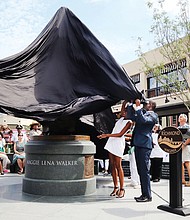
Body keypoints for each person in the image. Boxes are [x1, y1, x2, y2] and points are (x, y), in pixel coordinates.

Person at [97, 101, 132, 198]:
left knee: (118, 166)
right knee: (112, 166)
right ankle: (115, 187)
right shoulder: (121, 119)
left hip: (118, 143)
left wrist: (106, 135)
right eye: (124, 111)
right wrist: (125, 101)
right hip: (111, 142)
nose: (123, 112)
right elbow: (122, 108)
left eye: (126, 111)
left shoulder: (129, 122)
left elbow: (121, 134)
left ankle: (122, 188)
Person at [127, 99, 158, 202]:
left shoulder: (153, 115)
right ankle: (144, 194)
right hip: (138, 144)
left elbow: (144, 120)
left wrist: (139, 108)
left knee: (144, 171)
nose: (144, 104)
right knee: (141, 171)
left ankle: (148, 196)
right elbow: (131, 116)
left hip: (145, 145)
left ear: (151, 106)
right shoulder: (142, 113)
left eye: (147, 103)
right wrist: (131, 104)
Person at [178, 114, 190, 187]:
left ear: (185, 119)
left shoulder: (188, 127)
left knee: (187, 163)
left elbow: (189, 137)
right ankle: (182, 180)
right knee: (181, 163)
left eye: (181, 117)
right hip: (179, 147)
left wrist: (184, 144)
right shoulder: (178, 128)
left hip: (186, 146)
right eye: (179, 117)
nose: (179, 118)